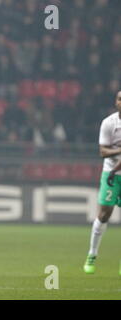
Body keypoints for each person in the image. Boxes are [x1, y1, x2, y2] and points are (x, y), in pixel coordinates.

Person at [84, 90, 121, 275]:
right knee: (105, 214)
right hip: (111, 173)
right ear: (116, 102)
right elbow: (103, 152)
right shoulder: (109, 123)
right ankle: (92, 253)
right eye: (120, 99)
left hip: (116, 171)